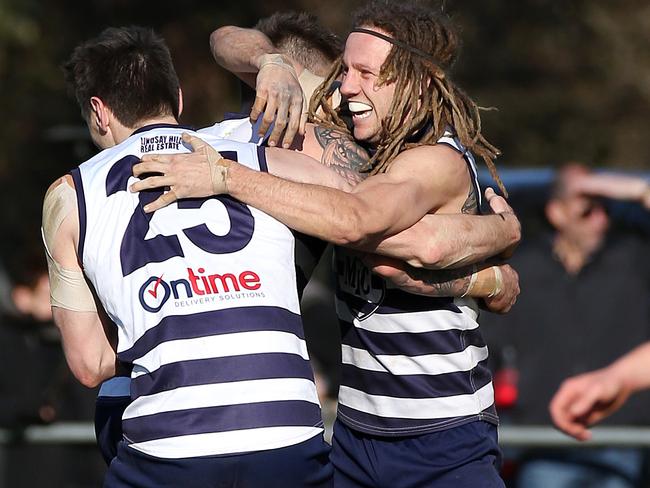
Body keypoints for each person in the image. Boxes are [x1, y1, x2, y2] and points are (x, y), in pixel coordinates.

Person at [46, 25, 518, 486]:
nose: (348, 88)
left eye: (364, 75)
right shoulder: (270, 143)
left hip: (443, 431)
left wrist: (498, 241)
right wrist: (268, 63)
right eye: (344, 74)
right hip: (353, 436)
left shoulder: (416, 156)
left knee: (116, 393)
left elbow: (390, 235)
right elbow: (223, 38)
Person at [482, 164, 650, 487]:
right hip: (544, 440)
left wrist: (635, 191)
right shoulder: (523, 268)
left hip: (626, 438)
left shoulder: (633, 258)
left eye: (606, 208)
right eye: (587, 210)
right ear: (556, 213)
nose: (601, 219)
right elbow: (488, 345)